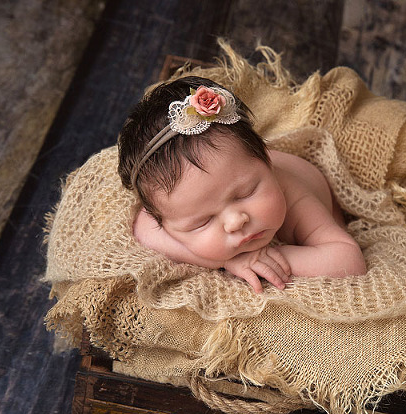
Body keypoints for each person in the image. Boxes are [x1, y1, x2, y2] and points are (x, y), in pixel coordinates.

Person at [117, 76, 366, 293]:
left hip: (317, 203)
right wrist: (225, 261)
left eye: (246, 193)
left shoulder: (292, 194)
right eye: (202, 222)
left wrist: (265, 258)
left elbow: (349, 260)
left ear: (267, 161)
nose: (236, 222)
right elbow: (143, 229)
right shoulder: (172, 209)